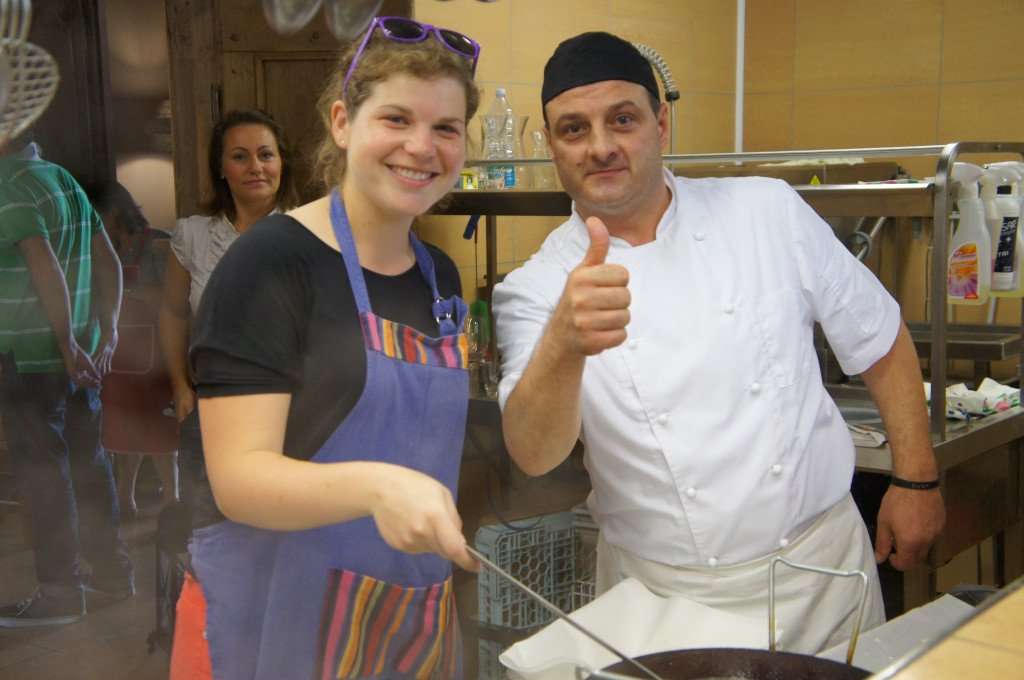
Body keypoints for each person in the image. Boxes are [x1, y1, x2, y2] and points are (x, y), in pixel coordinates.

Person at [492, 31, 946, 654]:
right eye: (573, 129)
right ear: (552, 146)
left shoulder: (765, 212)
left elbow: (880, 338)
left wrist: (915, 479)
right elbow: (533, 453)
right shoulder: (538, 287)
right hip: (663, 605)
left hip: (819, 579)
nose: (600, 146)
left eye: (622, 119)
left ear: (661, 124)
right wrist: (562, 345)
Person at [168, 17, 481, 680]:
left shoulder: (440, 278)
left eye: (445, 128)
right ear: (343, 122)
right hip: (280, 611)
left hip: (408, 610)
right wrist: (378, 486)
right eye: (396, 118)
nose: (421, 147)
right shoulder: (273, 264)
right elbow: (239, 481)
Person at [0, 135, 134, 627]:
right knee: (88, 464)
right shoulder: (59, 177)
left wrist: (63, 344)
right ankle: (112, 576)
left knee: (43, 474)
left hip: (34, 357)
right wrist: (109, 330)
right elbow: (108, 258)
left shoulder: (6, 185)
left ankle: (59, 592)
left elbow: (43, 264)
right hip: (82, 358)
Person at [159, 108, 298, 520]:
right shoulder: (194, 236)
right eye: (239, 156)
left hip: (291, 410)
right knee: (210, 532)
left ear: (281, 163)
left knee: (278, 529)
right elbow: (172, 313)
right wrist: (181, 388)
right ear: (221, 168)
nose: (256, 167)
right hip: (211, 409)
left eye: (265, 155)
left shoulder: (308, 233)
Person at [87, 180, 178, 519]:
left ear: (112, 212)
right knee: (127, 425)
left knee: (160, 430)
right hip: (125, 354)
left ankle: (173, 503)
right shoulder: (107, 248)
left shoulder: (159, 244)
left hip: (158, 352)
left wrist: (130, 293)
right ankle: (125, 499)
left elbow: (174, 299)